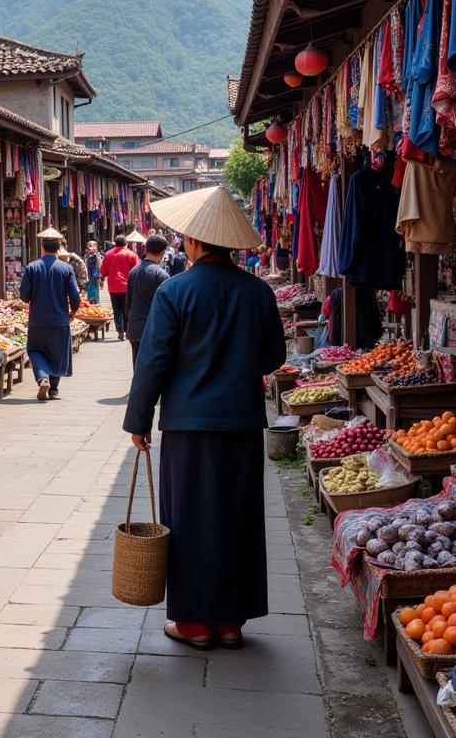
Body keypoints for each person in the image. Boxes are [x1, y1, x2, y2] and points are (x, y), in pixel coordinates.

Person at [124, 185, 287, 651]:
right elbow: (272, 356)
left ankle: (195, 623)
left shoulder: (174, 291)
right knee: (238, 515)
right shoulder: (257, 291)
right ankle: (232, 622)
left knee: (191, 517)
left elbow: (153, 361)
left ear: (194, 242)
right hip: (239, 422)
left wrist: (138, 419)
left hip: (188, 424)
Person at [20, 235, 81, 401]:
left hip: (37, 320)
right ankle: (53, 389)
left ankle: (43, 378)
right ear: (59, 249)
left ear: (42, 248)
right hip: (60, 320)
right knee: (57, 353)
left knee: (34, 350)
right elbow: (75, 296)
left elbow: (24, 295)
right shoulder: (66, 268)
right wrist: (73, 312)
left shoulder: (32, 267)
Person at [125, 235, 169, 366]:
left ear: (146, 250)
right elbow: (166, 307)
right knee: (152, 369)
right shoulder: (161, 274)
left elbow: (128, 302)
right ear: (163, 252)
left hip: (134, 326)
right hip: (153, 329)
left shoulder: (133, 271)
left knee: (137, 366)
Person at [101, 234, 139, 340]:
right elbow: (137, 270)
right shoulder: (131, 254)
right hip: (128, 287)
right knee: (127, 309)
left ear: (115, 243)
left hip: (113, 287)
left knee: (116, 309)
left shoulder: (108, 254)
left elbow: (103, 271)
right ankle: (127, 330)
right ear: (126, 244)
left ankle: (120, 330)